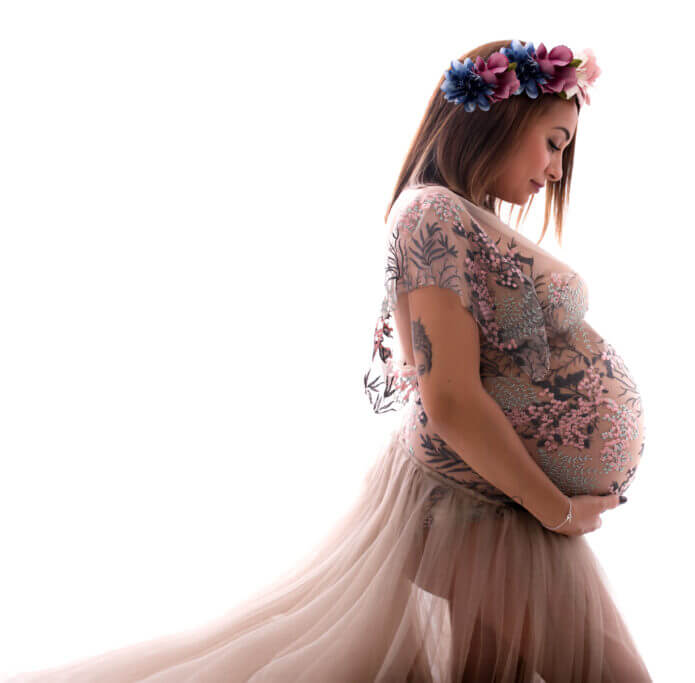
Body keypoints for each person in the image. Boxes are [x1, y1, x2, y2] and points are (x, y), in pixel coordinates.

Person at [3, 38, 650, 682]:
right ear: (498, 118)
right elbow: (447, 398)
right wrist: (558, 508)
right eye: (554, 142)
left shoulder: (463, 218)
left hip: (499, 511)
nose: (557, 171)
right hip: (472, 511)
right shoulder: (431, 213)